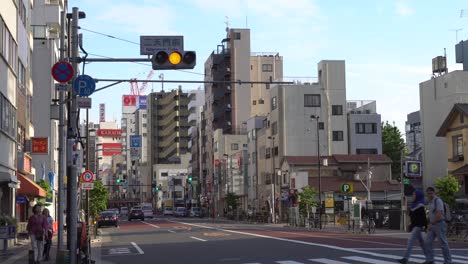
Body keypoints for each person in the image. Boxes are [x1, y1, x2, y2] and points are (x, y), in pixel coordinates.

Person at [423, 187, 452, 264]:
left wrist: (431, 223)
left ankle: (448, 261)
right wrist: (429, 223)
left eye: (431, 193)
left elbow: (439, 214)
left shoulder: (438, 200)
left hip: (440, 224)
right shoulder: (430, 202)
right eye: (428, 193)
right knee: (427, 242)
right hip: (433, 224)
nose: (430, 195)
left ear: (434, 193)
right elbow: (430, 214)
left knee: (443, 243)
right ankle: (430, 259)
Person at [399, 189, 427, 264]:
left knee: (410, 241)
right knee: (422, 243)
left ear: (418, 196)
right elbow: (411, 217)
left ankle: (405, 258)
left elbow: (423, 217)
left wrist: (426, 226)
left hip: (418, 226)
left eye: (414, 195)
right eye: (413, 194)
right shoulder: (413, 205)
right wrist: (409, 224)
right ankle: (429, 258)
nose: (413, 196)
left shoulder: (420, 205)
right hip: (415, 226)